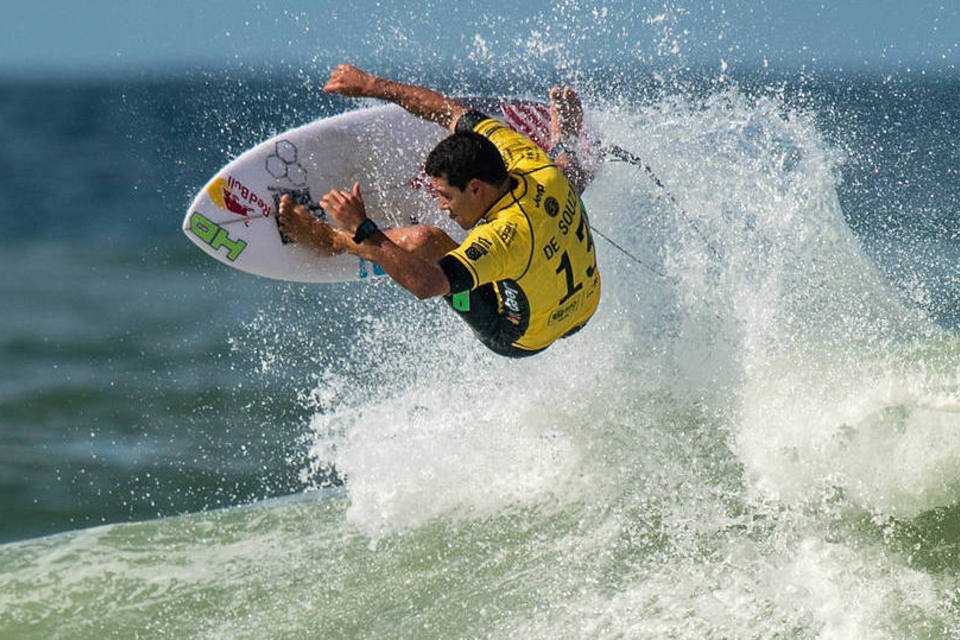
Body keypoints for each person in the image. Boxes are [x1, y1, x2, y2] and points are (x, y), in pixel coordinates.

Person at [278, 64, 601, 358]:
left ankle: (329, 241)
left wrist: (363, 228)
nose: (441, 205)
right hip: (586, 308)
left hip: (519, 332)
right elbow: (451, 112)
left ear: (476, 187)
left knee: (426, 240)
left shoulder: (501, 240)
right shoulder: (524, 156)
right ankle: (563, 142)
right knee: (561, 175)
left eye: (446, 196)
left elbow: (427, 284)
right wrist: (370, 85)